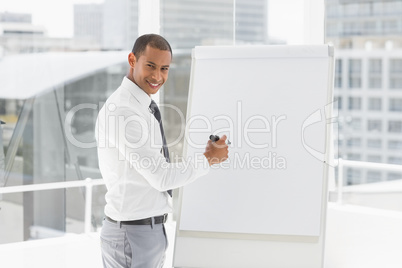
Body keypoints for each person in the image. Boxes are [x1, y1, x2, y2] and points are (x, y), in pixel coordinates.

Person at [95, 34, 229, 268]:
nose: (157, 76)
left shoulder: (140, 107)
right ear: (132, 60)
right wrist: (208, 160)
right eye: (151, 66)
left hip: (144, 232)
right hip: (133, 234)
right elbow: (161, 177)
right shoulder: (124, 112)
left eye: (164, 68)